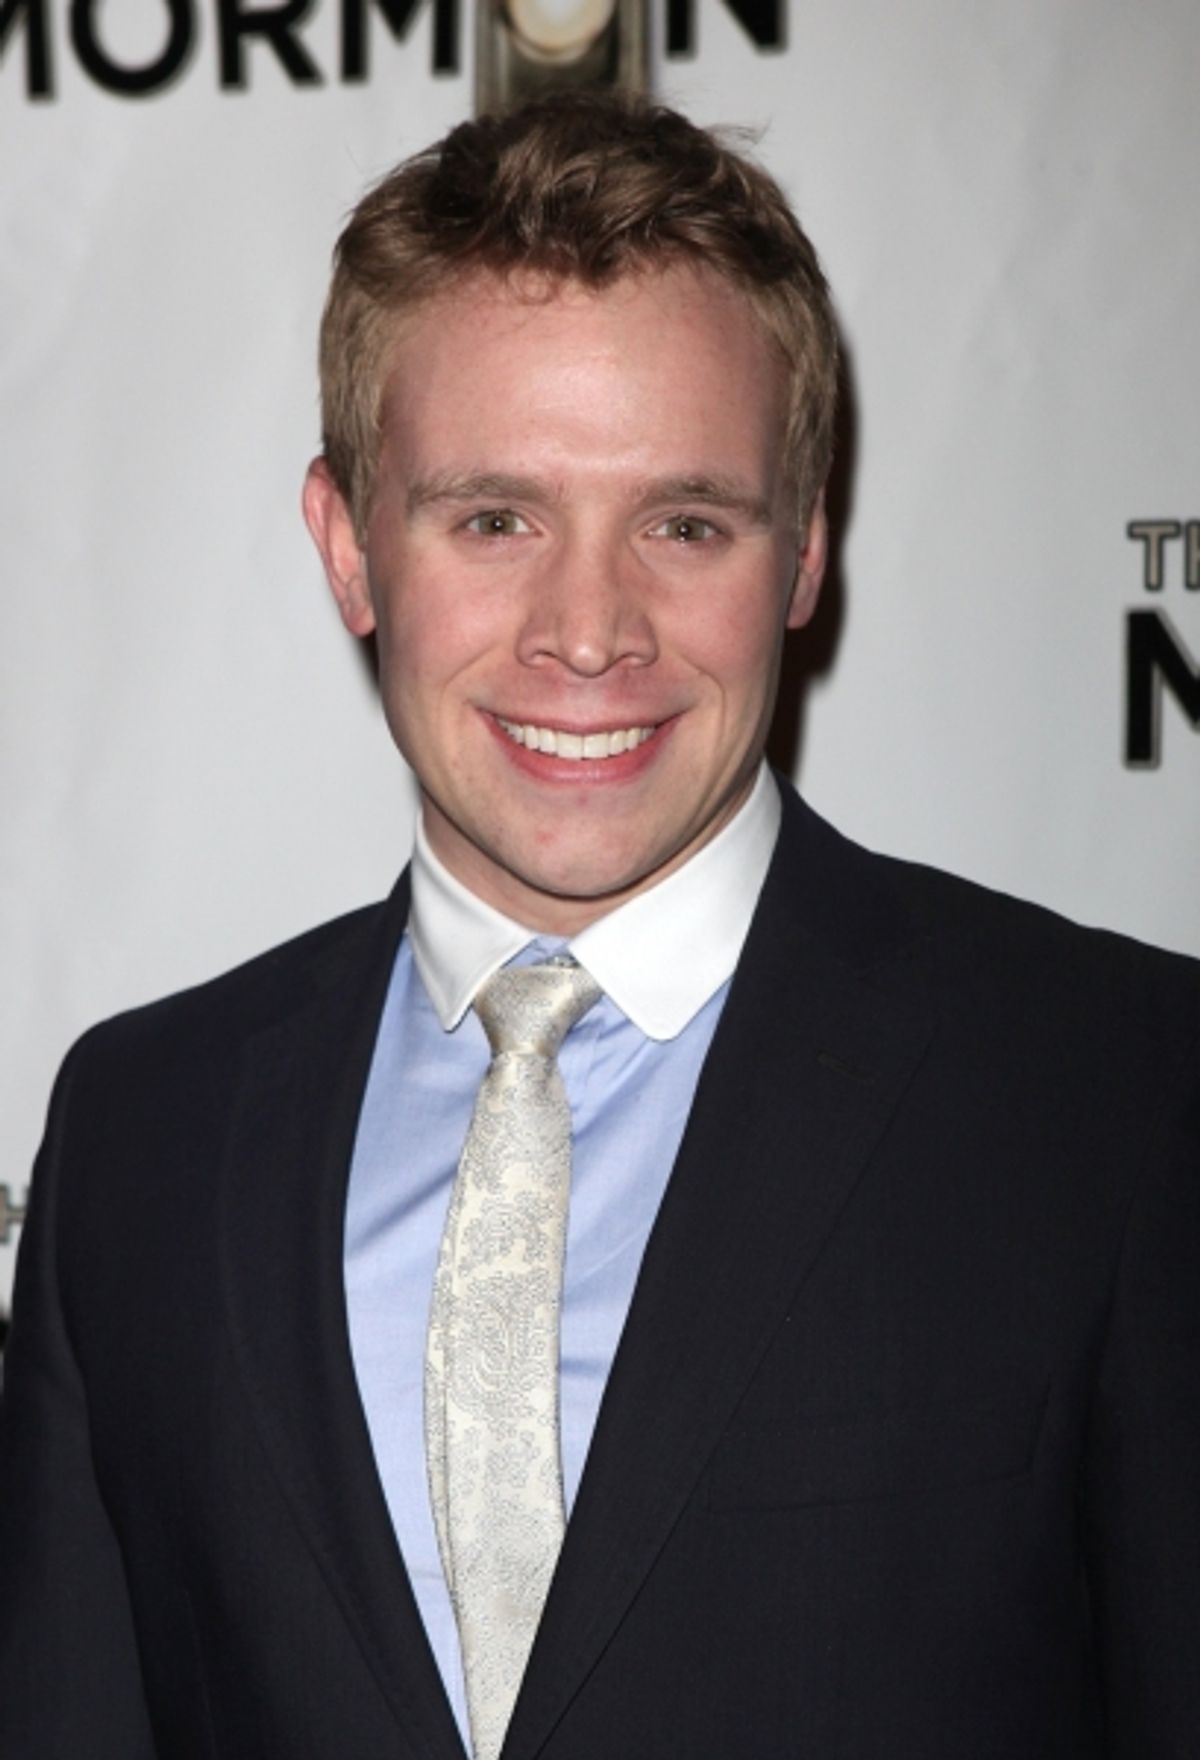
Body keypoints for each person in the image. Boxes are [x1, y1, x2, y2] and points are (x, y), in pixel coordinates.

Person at [1, 92, 1198, 1760]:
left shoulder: (1126, 1094)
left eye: (684, 523)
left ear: (804, 555)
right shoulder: (141, 1129)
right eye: (495, 518)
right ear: (351, 547)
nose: (588, 632)